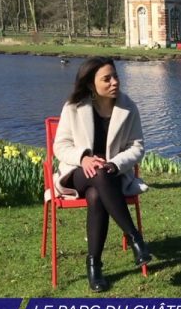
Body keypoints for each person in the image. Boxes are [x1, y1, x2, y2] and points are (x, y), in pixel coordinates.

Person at [53, 57, 152, 292]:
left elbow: (137, 147)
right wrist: (83, 157)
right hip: (77, 174)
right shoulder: (73, 107)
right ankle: (135, 238)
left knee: (97, 194)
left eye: (115, 76)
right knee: (96, 173)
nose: (114, 82)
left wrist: (115, 164)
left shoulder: (128, 107)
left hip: (112, 175)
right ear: (91, 84)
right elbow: (60, 146)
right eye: (106, 79)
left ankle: (94, 266)